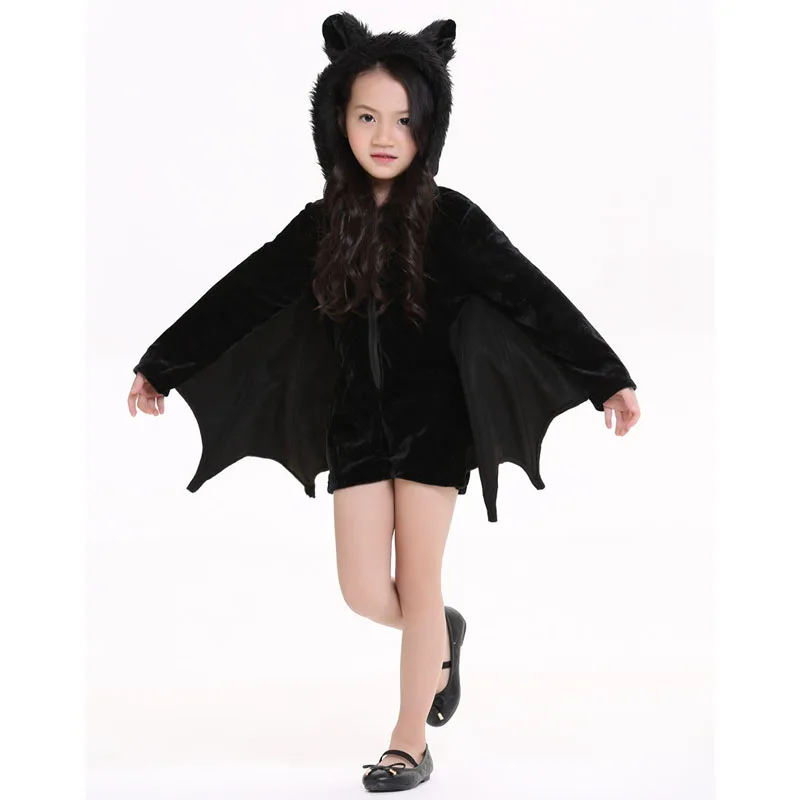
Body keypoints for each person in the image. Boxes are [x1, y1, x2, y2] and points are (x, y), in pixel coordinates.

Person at [127, 13, 641, 792]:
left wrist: (607, 375)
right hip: (355, 430)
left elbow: (533, 296)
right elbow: (242, 296)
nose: (384, 135)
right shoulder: (322, 226)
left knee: (420, 580)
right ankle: (440, 637)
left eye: (404, 119)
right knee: (365, 591)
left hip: (436, 427)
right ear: (337, 120)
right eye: (367, 116)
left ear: (429, 127)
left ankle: (409, 741)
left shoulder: (452, 220)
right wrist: (163, 365)